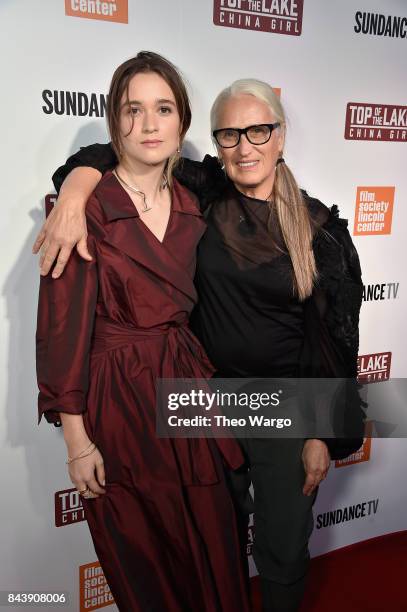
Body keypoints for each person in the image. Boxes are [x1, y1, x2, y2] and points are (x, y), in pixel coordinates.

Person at [35, 77, 364, 612]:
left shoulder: (321, 231)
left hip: (286, 410)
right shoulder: (205, 191)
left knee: (281, 548)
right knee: (215, 543)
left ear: (281, 136)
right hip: (205, 402)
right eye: (229, 134)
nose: (245, 145)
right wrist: (74, 192)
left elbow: (335, 346)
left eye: (259, 130)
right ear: (215, 142)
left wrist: (321, 435)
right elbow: (120, 153)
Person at [36, 52, 251, 612]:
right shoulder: (84, 208)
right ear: (115, 123)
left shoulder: (195, 203)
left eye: (163, 109)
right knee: (145, 556)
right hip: (117, 402)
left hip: (186, 390)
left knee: (214, 539)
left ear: (182, 122)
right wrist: (77, 443)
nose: (149, 125)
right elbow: (61, 333)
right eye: (134, 110)